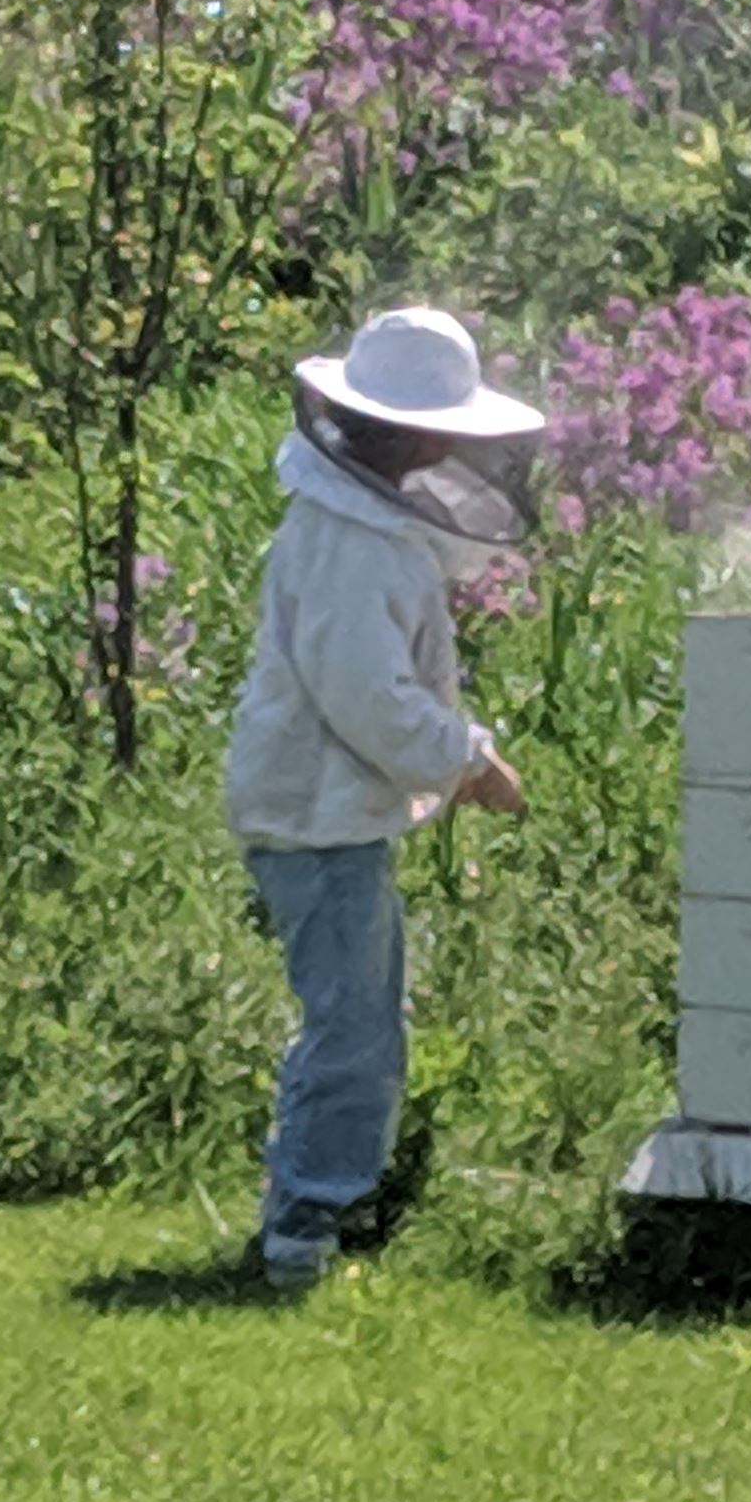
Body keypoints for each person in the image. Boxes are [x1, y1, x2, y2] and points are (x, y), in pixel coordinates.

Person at [224, 305, 541, 1294]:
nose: (454, 445)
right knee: (351, 1026)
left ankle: (308, 1214)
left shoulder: (352, 528)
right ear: (400, 432)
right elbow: (366, 693)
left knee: (355, 1016)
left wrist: (453, 756)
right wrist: (467, 763)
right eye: (442, 424)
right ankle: (302, 1231)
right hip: (316, 817)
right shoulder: (353, 545)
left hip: (322, 810)